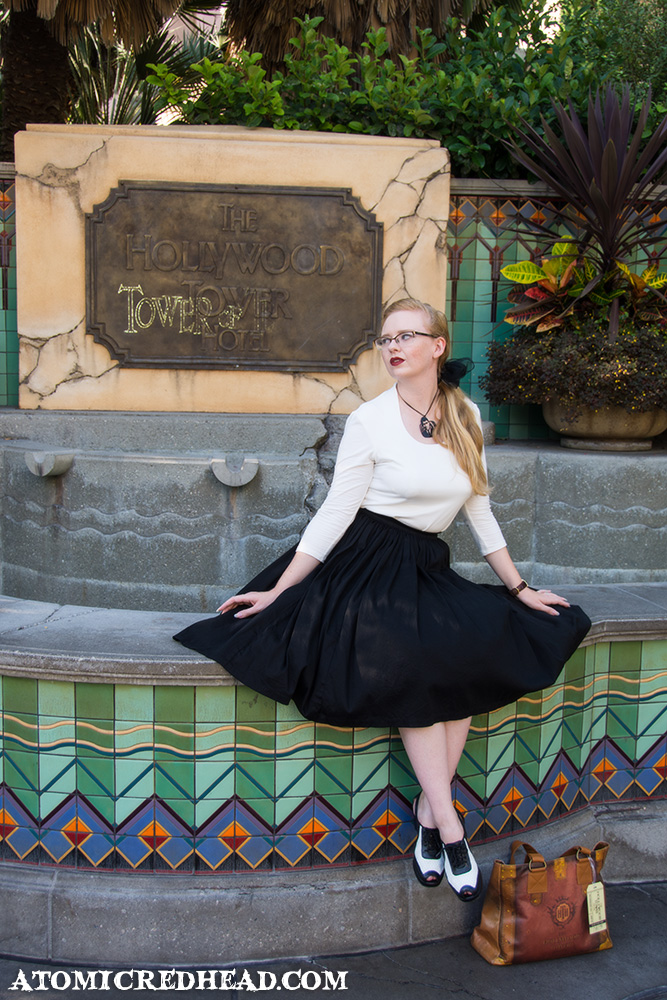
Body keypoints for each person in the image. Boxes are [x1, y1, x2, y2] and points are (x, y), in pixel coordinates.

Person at [174, 297, 591, 901]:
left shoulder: (465, 414)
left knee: (472, 642)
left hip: (424, 564)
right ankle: (451, 828)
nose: (393, 347)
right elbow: (335, 513)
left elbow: (478, 509)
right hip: (364, 564)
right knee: (412, 657)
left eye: (406, 336)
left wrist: (520, 587)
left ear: (437, 346)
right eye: (386, 338)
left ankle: (428, 813)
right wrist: (280, 591)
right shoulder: (369, 420)